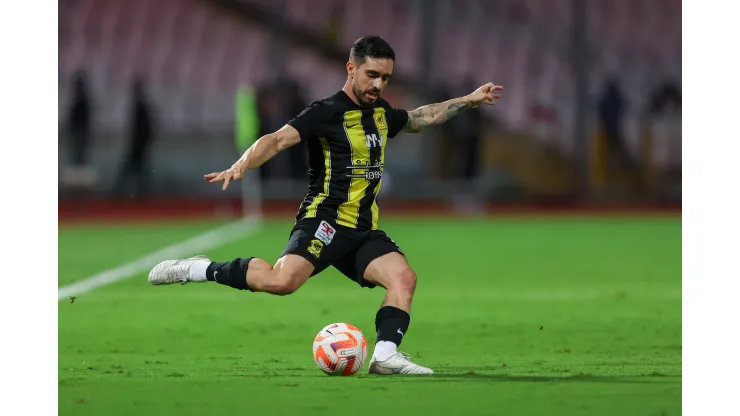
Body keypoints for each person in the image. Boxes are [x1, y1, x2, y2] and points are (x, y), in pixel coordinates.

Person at [148, 35, 503, 375]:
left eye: (385, 78)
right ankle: (198, 269)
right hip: (326, 220)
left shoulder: (381, 113)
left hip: (362, 228)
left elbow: (421, 117)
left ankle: (385, 356)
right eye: (372, 75)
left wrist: (469, 100)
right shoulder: (327, 112)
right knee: (282, 282)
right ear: (351, 69)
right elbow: (276, 140)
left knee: (403, 278)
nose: (378, 85)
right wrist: (242, 164)